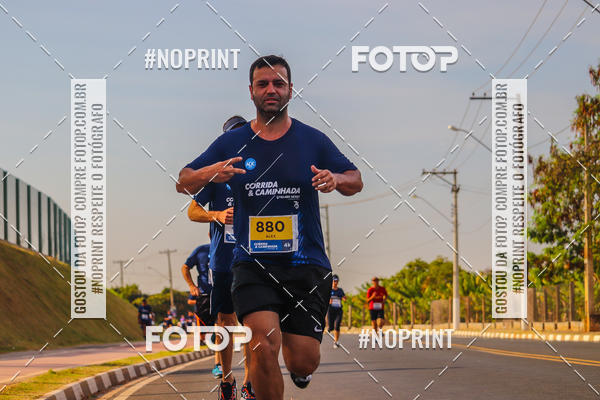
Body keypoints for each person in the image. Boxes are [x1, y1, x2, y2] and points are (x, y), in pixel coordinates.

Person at [176, 54, 363, 400]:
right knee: (261, 344)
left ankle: (301, 369)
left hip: (305, 264)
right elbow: (183, 180)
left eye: (278, 83)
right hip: (252, 264)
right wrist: (211, 172)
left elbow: (356, 179)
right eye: (263, 84)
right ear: (251, 91)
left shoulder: (312, 140)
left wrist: (335, 179)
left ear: (291, 89)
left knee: (302, 360)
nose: (271, 89)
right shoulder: (232, 143)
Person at [186, 115, 255, 399]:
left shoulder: (259, 172)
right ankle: (227, 381)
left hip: (254, 259)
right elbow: (192, 211)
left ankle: (250, 384)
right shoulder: (216, 178)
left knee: (252, 324)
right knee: (226, 322)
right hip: (224, 261)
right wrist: (216, 214)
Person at [327, 274, 346, 348]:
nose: (335, 282)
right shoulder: (328, 290)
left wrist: (344, 298)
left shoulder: (340, 290)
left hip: (338, 310)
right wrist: (329, 300)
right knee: (330, 327)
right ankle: (330, 328)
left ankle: (336, 342)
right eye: (334, 281)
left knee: (337, 325)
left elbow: (344, 297)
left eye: (336, 281)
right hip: (330, 310)